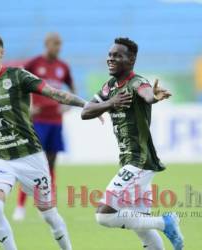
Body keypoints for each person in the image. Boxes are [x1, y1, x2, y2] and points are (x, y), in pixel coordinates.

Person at [0, 34, 87, 250]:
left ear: (1, 53)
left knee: (49, 215)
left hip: (31, 158)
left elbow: (56, 93)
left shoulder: (18, 76)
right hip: (1, 159)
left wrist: (87, 105)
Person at [81, 37, 184, 250]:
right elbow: (85, 112)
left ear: (131, 59)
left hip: (139, 160)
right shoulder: (109, 87)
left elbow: (147, 94)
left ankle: (166, 222)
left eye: (117, 55)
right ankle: (162, 226)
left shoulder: (138, 82)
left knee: (104, 215)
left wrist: (154, 97)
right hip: (130, 160)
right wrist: (110, 103)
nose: (111, 59)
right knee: (144, 231)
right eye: (110, 55)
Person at [13, 33, 75, 221]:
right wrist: (27, 107)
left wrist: (68, 106)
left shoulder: (63, 67)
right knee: (31, 164)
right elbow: (17, 84)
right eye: (55, 44)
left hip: (56, 121)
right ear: (46, 44)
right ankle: (20, 206)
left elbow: (73, 89)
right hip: (37, 122)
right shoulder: (33, 64)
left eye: (60, 44)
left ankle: (46, 205)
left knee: (51, 164)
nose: (58, 47)